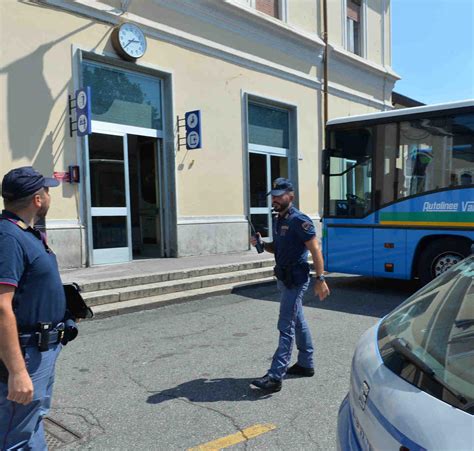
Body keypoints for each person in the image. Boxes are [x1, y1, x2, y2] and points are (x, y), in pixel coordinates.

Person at [0, 166, 67, 449]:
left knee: (32, 422)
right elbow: (1, 307)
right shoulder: (8, 237)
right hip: (26, 353)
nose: (51, 195)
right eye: (48, 190)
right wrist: (17, 371)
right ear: (38, 199)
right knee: (16, 435)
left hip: (41, 349)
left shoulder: (25, 233)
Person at [250, 177, 330, 392]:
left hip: (296, 279)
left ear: (291, 196)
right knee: (298, 321)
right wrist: (262, 244)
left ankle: (275, 376)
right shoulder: (279, 219)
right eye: (273, 196)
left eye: (279, 195)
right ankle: (306, 364)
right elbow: (277, 248)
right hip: (284, 277)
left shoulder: (298, 220)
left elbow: (315, 250)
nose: (275, 199)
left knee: (285, 325)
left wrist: (320, 279)